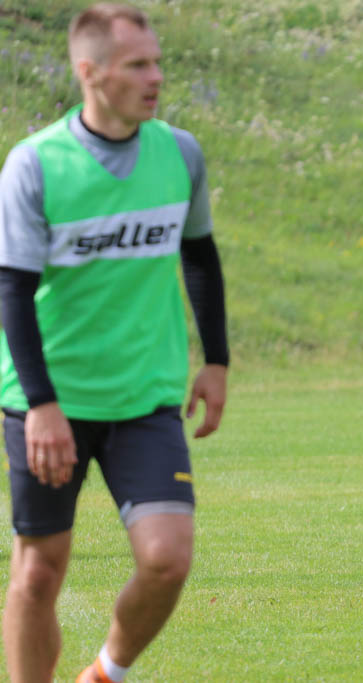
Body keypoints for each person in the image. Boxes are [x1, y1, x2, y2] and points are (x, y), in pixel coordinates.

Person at [0, 4, 229, 682]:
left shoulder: (179, 153)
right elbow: (11, 290)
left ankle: (105, 672)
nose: (156, 77)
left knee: (168, 558)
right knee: (39, 572)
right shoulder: (36, 164)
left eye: (157, 62)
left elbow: (200, 257)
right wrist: (41, 405)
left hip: (144, 396)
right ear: (90, 72)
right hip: (51, 401)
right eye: (138, 65)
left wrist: (216, 360)